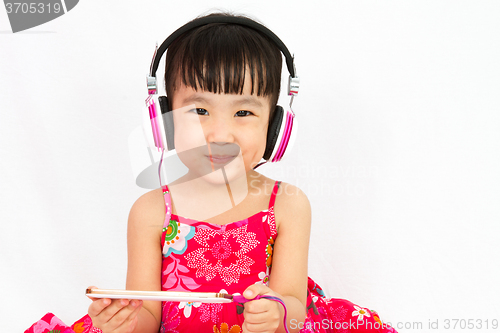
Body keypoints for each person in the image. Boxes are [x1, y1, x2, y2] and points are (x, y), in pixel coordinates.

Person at [84, 12, 398, 333]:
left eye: (244, 112)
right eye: (199, 110)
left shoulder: (286, 205)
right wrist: (124, 322)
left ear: (275, 127)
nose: (220, 134)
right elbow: (149, 316)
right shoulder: (151, 211)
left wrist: (277, 314)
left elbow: (294, 305)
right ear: (164, 121)